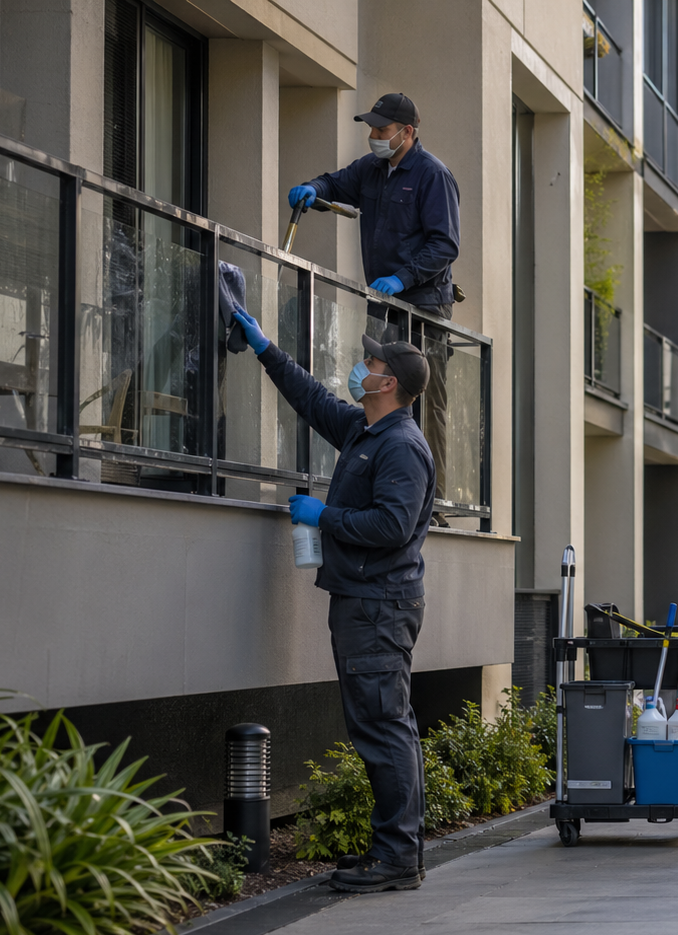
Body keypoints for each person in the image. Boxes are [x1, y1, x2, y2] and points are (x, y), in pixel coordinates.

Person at [229, 307, 435, 893]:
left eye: (369, 362)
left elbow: (393, 525)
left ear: (387, 381)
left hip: (378, 605)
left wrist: (327, 517)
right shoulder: (365, 430)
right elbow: (314, 400)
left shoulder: (401, 446)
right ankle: (396, 852)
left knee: (384, 728)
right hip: (363, 600)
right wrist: (266, 348)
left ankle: (398, 857)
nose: (359, 367)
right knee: (380, 725)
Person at [287, 92, 460, 521]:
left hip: (424, 309)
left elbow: (445, 244)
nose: (373, 137)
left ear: (407, 132)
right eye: (372, 129)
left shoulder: (432, 176)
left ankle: (429, 502)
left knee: (424, 400)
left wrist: (404, 277)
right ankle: (378, 486)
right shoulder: (373, 170)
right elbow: (337, 181)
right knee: (376, 394)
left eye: (381, 130)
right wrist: (314, 188)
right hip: (384, 306)